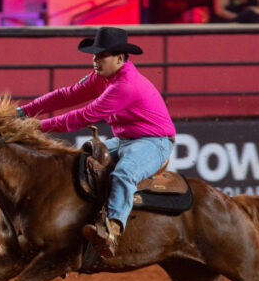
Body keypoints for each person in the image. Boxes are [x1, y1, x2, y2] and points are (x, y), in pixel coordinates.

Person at [17, 27, 176, 258]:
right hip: (125, 140)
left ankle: (112, 229)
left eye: (102, 55)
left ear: (120, 59)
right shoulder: (101, 78)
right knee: (78, 163)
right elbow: (66, 95)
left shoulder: (124, 86)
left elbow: (84, 116)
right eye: (95, 55)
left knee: (124, 173)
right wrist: (24, 112)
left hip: (154, 142)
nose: (95, 60)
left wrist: (38, 126)